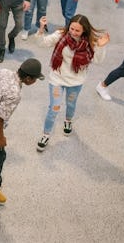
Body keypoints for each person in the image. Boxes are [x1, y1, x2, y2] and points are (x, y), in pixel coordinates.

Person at [35, 15, 110, 152]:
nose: (73, 32)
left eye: (77, 30)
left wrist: (100, 46)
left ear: (84, 31)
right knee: (54, 108)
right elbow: (42, 43)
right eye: (72, 28)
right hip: (57, 79)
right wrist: (41, 28)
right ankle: (45, 135)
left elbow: (98, 60)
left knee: (71, 104)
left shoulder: (89, 42)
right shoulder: (60, 35)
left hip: (76, 81)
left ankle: (68, 121)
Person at [0, 59, 43, 203]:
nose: (35, 81)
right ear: (28, 78)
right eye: (35, 79)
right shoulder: (15, 93)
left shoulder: (4, 71)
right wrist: (1, 138)